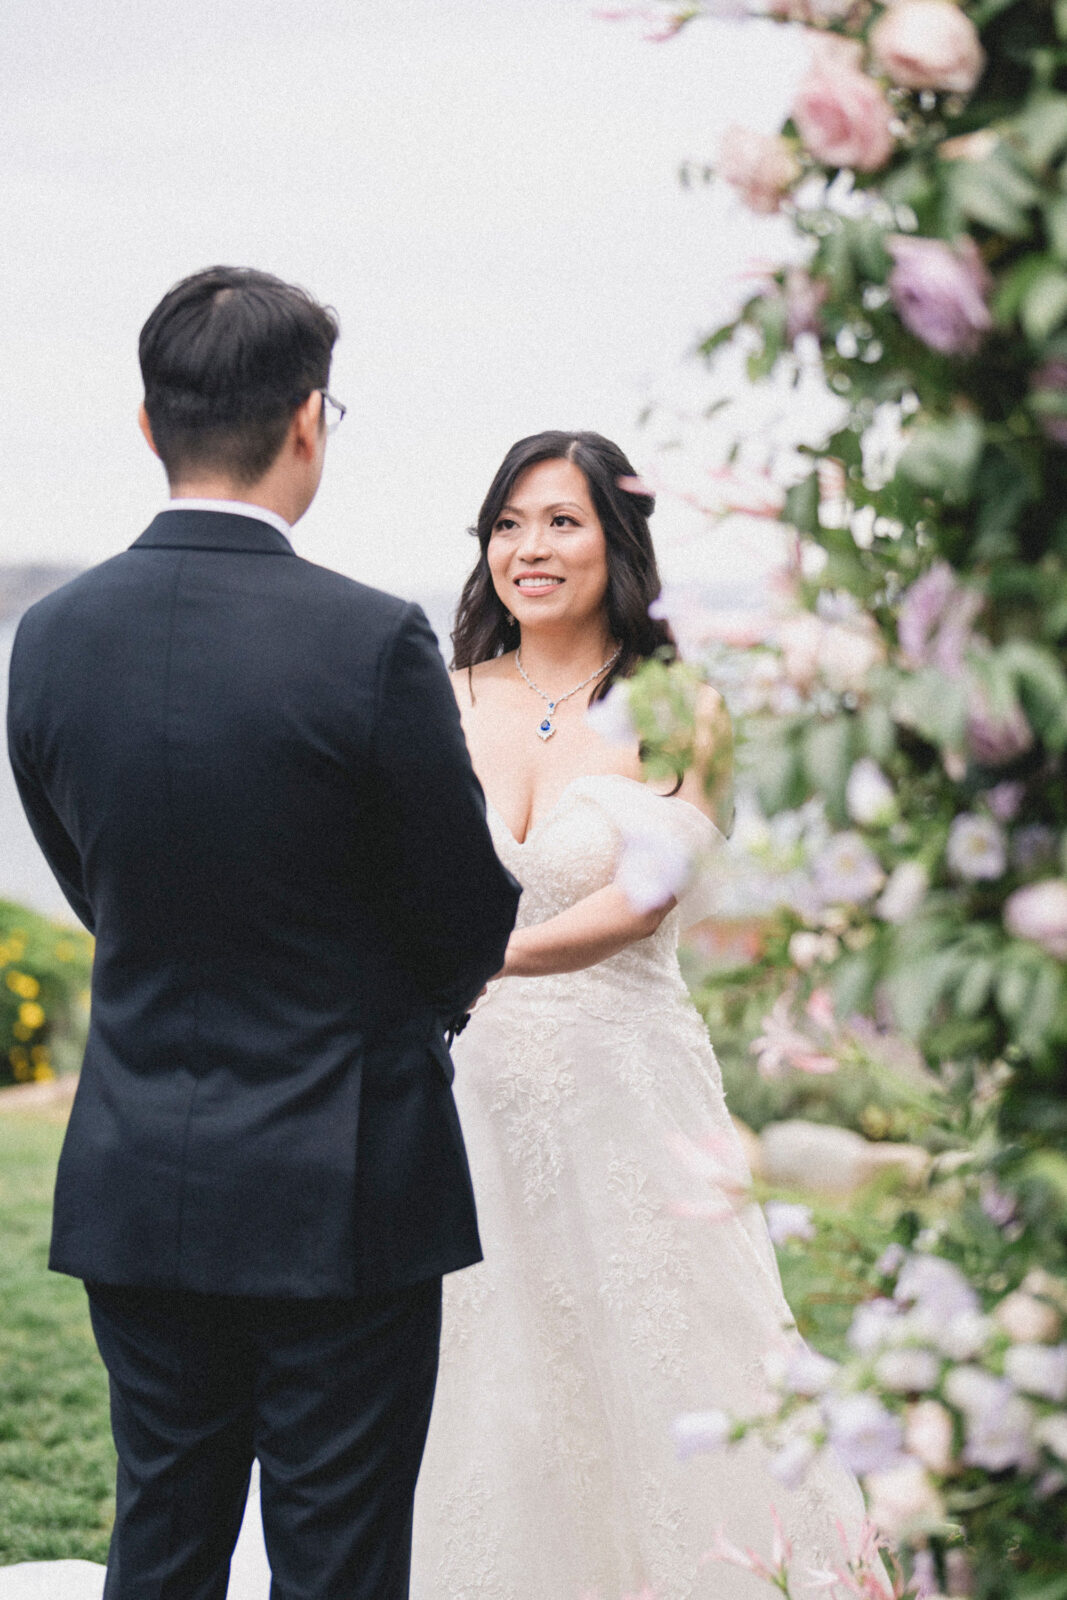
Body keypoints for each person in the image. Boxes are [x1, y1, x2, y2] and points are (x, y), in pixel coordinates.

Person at [3, 266, 520, 1600]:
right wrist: (403, 1013)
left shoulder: (47, 639)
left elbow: (89, 880)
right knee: (334, 1557)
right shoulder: (364, 640)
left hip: (138, 1170)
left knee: (161, 1538)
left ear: (145, 423)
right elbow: (464, 910)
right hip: (344, 1183)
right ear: (308, 422)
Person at [404, 430, 872, 1599]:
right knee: (490, 1376)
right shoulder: (437, 698)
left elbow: (641, 894)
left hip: (629, 1086)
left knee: (673, 1356)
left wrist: (477, 959)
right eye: (507, 524)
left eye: (559, 521)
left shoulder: (682, 707)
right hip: (463, 1104)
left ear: (615, 541)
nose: (528, 548)